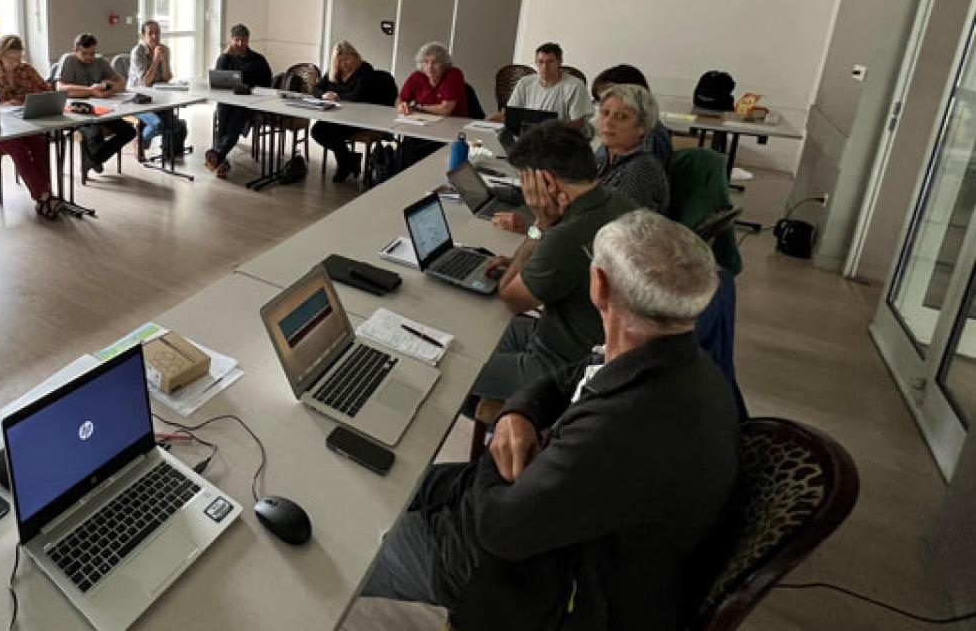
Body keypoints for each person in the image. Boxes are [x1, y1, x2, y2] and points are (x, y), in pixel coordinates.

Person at [361, 211, 739, 631]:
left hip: (518, 577)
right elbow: (569, 376)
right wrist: (516, 415)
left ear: (599, 285)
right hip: (550, 529)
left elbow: (499, 530)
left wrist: (495, 451)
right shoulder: (670, 356)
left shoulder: (623, 428)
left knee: (348, 542)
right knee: (391, 484)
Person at [467, 122, 636, 408]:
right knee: (472, 335)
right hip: (599, 342)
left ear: (546, 181)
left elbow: (511, 296)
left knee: (458, 372)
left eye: (525, 181)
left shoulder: (565, 237)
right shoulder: (619, 201)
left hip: (564, 366)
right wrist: (536, 260)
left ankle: (516, 422)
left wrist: (540, 226)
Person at [493, 83, 668, 233]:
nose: (608, 122)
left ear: (643, 128)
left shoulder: (640, 171)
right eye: (605, 112)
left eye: (621, 117)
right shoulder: (605, 153)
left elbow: (594, 238)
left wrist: (530, 229)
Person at [0, 34, 62, 220]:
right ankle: (43, 196)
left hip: (22, 122)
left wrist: (30, 101)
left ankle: (44, 193)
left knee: (40, 144)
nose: (15, 62)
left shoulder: (26, 70)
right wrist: (1, 105)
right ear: (0, 55)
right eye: (10, 58)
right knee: (18, 149)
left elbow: (46, 91)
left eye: (18, 57)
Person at [56, 32, 136, 174]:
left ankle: (94, 159)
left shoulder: (100, 61)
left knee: (129, 131)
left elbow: (122, 84)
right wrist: (91, 91)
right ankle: (96, 159)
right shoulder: (69, 60)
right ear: (75, 50)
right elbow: (61, 88)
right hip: (76, 112)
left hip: (101, 110)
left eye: (92, 53)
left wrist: (109, 88)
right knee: (95, 133)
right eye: (85, 53)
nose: (89, 57)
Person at [204, 23, 272, 179]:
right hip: (228, 100)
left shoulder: (258, 59)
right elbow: (218, 79)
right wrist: (224, 56)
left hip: (249, 102)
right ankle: (220, 161)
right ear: (232, 40)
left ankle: (218, 156)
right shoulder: (227, 58)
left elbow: (267, 83)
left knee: (235, 123)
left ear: (248, 40)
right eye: (237, 40)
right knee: (222, 121)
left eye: (244, 40)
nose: (240, 44)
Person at [310, 40, 378, 182]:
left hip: (360, 117)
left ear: (355, 56)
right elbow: (316, 89)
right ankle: (349, 159)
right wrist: (323, 95)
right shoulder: (335, 72)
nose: (344, 64)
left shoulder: (365, 70)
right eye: (340, 60)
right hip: (337, 115)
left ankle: (345, 164)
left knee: (332, 133)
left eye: (347, 59)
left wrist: (337, 96)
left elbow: (358, 96)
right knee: (317, 131)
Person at [396, 42, 468, 162]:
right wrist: (402, 106)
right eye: (425, 62)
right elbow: (401, 99)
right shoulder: (417, 76)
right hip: (424, 127)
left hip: (452, 129)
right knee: (408, 149)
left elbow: (445, 109)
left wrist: (418, 107)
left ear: (445, 64)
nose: (429, 66)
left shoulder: (454, 74)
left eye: (435, 62)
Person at [591, 63, 673, 166]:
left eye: (621, 116)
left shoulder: (650, 143)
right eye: (601, 101)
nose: (607, 121)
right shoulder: (616, 140)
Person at [127, 20, 187, 160]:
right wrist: (155, 60)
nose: (155, 36)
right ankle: (140, 141)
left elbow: (166, 78)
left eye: (157, 33)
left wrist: (164, 60)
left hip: (157, 97)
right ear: (143, 36)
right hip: (137, 99)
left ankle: (163, 150)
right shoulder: (138, 52)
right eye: (150, 33)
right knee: (157, 124)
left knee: (176, 125)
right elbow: (145, 82)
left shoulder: (164, 49)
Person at [503, 42, 592, 131]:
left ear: (559, 62)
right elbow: (512, 114)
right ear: (536, 62)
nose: (544, 67)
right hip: (529, 135)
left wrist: (552, 132)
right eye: (540, 62)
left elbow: (578, 123)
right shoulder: (524, 83)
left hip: (561, 137)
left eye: (550, 62)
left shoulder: (575, 86)